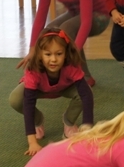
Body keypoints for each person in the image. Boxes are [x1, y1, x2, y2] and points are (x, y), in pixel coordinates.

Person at [8, 27, 94, 155]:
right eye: (48, 54)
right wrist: (32, 142)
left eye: (59, 54)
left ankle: (69, 121)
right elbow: (28, 103)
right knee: (15, 99)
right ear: (40, 54)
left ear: (66, 53)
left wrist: (87, 127)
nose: (53, 59)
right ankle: (38, 120)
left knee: (86, 92)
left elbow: (86, 95)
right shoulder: (34, 70)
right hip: (39, 89)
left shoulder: (71, 65)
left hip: (65, 88)